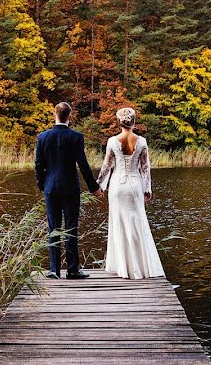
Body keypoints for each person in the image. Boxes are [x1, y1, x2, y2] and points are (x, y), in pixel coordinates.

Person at [35, 102, 103, 279]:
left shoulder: (43, 137)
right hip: (71, 188)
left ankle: (54, 270)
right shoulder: (76, 137)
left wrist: (42, 185)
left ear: (54, 115)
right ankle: (72, 269)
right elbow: (83, 165)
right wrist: (93, 187)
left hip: (51, 188)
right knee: (71, 228)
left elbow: (38, 164)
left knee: (53, 228)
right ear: (69, 116)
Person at [96, 107, 165, 279]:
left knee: (118, 222)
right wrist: (147, 188)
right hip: (134, 185)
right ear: (133, 122)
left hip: (117, 187)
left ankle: (122, 266)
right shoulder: (141, 141)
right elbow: (145, 167)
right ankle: (139, 266)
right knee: (137, 222)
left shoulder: (112, 141)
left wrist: (99, 185)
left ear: (120, 123)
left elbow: (107, 166)